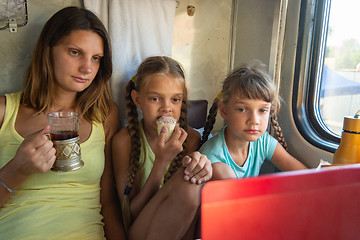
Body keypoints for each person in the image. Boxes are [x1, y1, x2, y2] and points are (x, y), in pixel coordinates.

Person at [0, 6, 126, 239]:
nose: (87, 68)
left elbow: (107, 202)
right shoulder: (4, 111)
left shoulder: (104, 114)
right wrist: (17, 170)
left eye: (96, 58)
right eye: (75, 52)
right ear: (48, 51)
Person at [112, 56, 212, 240]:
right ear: (138, 99)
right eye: (155, 98)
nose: (166, 108)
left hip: (182, 230)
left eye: (175, 99)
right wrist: (161, 161)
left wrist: (205, 166)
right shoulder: (124, 141)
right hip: (141, 230)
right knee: (188, 183)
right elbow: (131, 214)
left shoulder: (191, 139)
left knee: (214, 172)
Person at [199, 62, 307, 180]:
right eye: (242, 109)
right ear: (224, 111)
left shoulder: (263, 141)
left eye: (262, 110)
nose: (254, 121)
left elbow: (304, 175)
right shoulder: (212, 156)